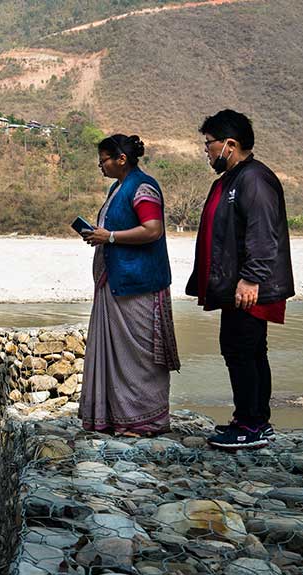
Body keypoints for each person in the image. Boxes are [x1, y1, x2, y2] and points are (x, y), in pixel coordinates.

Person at [189, 110, 294, 450]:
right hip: (235, 285)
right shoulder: (231, 179)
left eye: (209, 144)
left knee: (243, 350)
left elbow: (263, 234)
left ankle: (251, 425)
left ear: (230, 145)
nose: (206, 151)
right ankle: (252, 419)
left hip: (248, 286)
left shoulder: (254, 179)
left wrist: (251, 279)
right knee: (244, 349)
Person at [79, 134, 180, 437]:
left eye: (104, 160)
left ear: (121, 159)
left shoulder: (142, 187)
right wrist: (102, 236)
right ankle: (120, 417)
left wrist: (109, 237)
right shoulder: (118, 188)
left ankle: (148, 420)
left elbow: (152, 229)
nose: (100, 166)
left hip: (138, 283)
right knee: (121, 354)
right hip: (118, 281)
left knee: (140, 356)